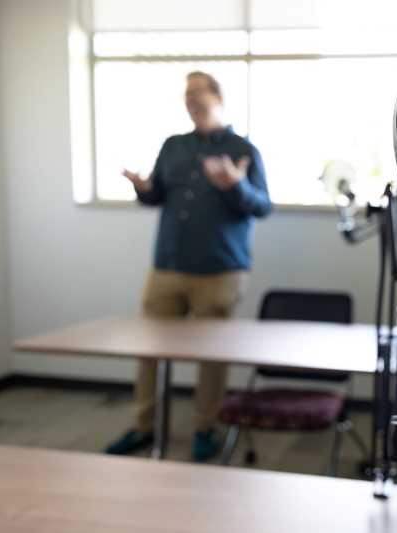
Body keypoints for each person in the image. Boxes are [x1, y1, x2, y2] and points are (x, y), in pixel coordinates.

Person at [105, 71, 272, 461]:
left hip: (220, 270)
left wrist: (236, 185)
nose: (190, 101)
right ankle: (143, 426)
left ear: (217, 96)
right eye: (186, 95)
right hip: (167, 266)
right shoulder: (173, 146)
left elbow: (263, 207)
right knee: (150, 350)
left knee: (211, 356)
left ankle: (205, 428)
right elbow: (156, 197)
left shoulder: (242, 148)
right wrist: (142, 187)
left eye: (197, 93)